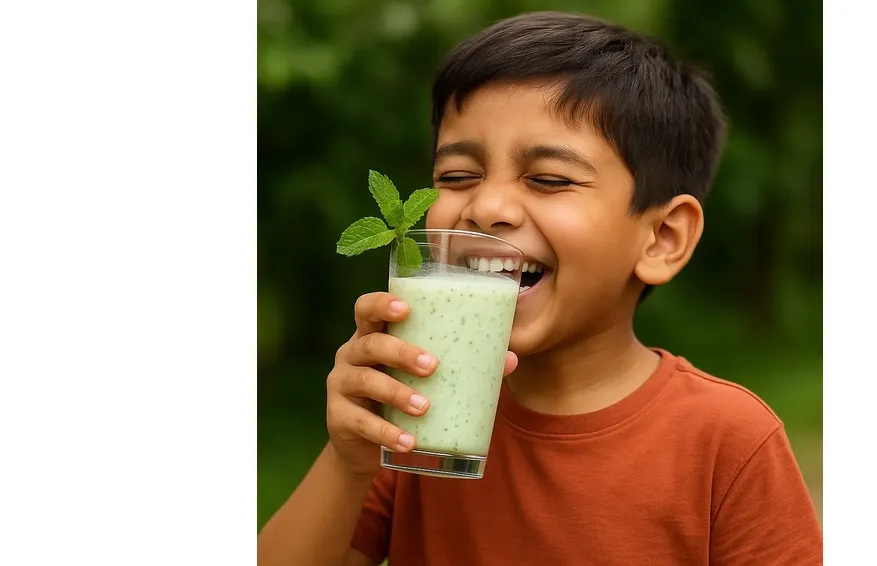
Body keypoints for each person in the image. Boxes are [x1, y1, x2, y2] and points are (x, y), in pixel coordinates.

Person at [258, 11, 822, 566]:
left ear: (662, 239)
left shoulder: (727, 441)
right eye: (457, 176)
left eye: (548, 180)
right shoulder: (415, 412)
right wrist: (347, 461)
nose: (486, 207)